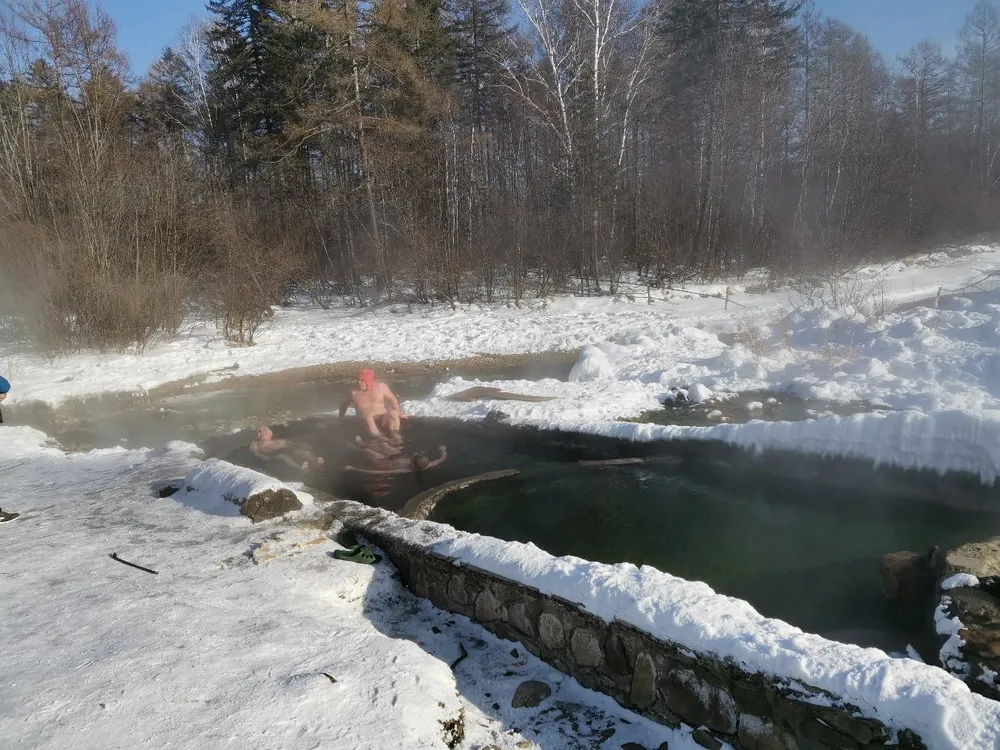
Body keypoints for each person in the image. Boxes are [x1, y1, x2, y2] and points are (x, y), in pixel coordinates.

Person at [339, 369, 407, 439]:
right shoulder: (353, 392)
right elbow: (344, 405)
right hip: (366, 423)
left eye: (362, 380)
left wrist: (398, 412)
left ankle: (396, 437)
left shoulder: (381, 387)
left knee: (394, 413)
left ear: (369, 381)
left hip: (382, 419)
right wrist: (340, 419)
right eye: (358, 380)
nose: (359, 382)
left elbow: (392, 398)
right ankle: (381, 439)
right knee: (368, 417)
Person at [249, 426, 325, 472]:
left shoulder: (280, 440)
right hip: (273, 454)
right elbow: (256, 453)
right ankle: (300, 468)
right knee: (283, 457)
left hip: (287, 450)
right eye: (259, 431)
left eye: (265, 429)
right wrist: (264, 458)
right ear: (256, 436)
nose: (262, 431)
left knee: (300, 451)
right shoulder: (255, 443)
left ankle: (315, 461)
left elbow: (293, 444)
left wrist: (305, 448)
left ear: (271, 433)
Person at [345, 445, 447, 475]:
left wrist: (353, 468)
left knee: (367, 450)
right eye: (423, 457)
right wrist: (443, 450)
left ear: (413, 462)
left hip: (385, 462)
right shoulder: (429, 464)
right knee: (384, 444)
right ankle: (363, 443)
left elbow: (373, 472)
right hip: (397, 456)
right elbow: (442, 458)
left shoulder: (406, 470)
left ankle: (354, 447)